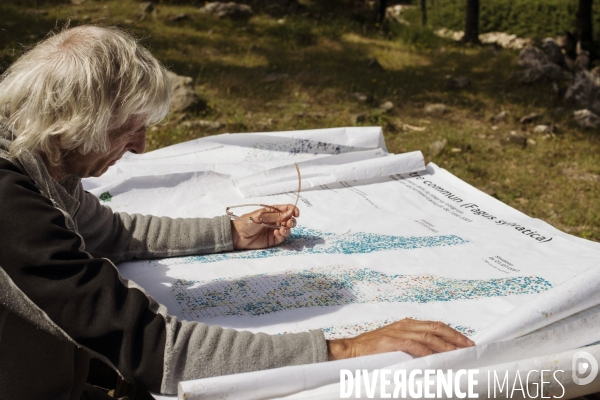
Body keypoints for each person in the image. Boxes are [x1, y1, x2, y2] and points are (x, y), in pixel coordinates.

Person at [0, 25, 474, 400]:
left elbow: (109, 232)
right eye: (128, 130)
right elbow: (157, 349)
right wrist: (346, 349)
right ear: (74, 121)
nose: (141, 147)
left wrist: (230, 233)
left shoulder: (44, 155)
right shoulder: (11, 203)